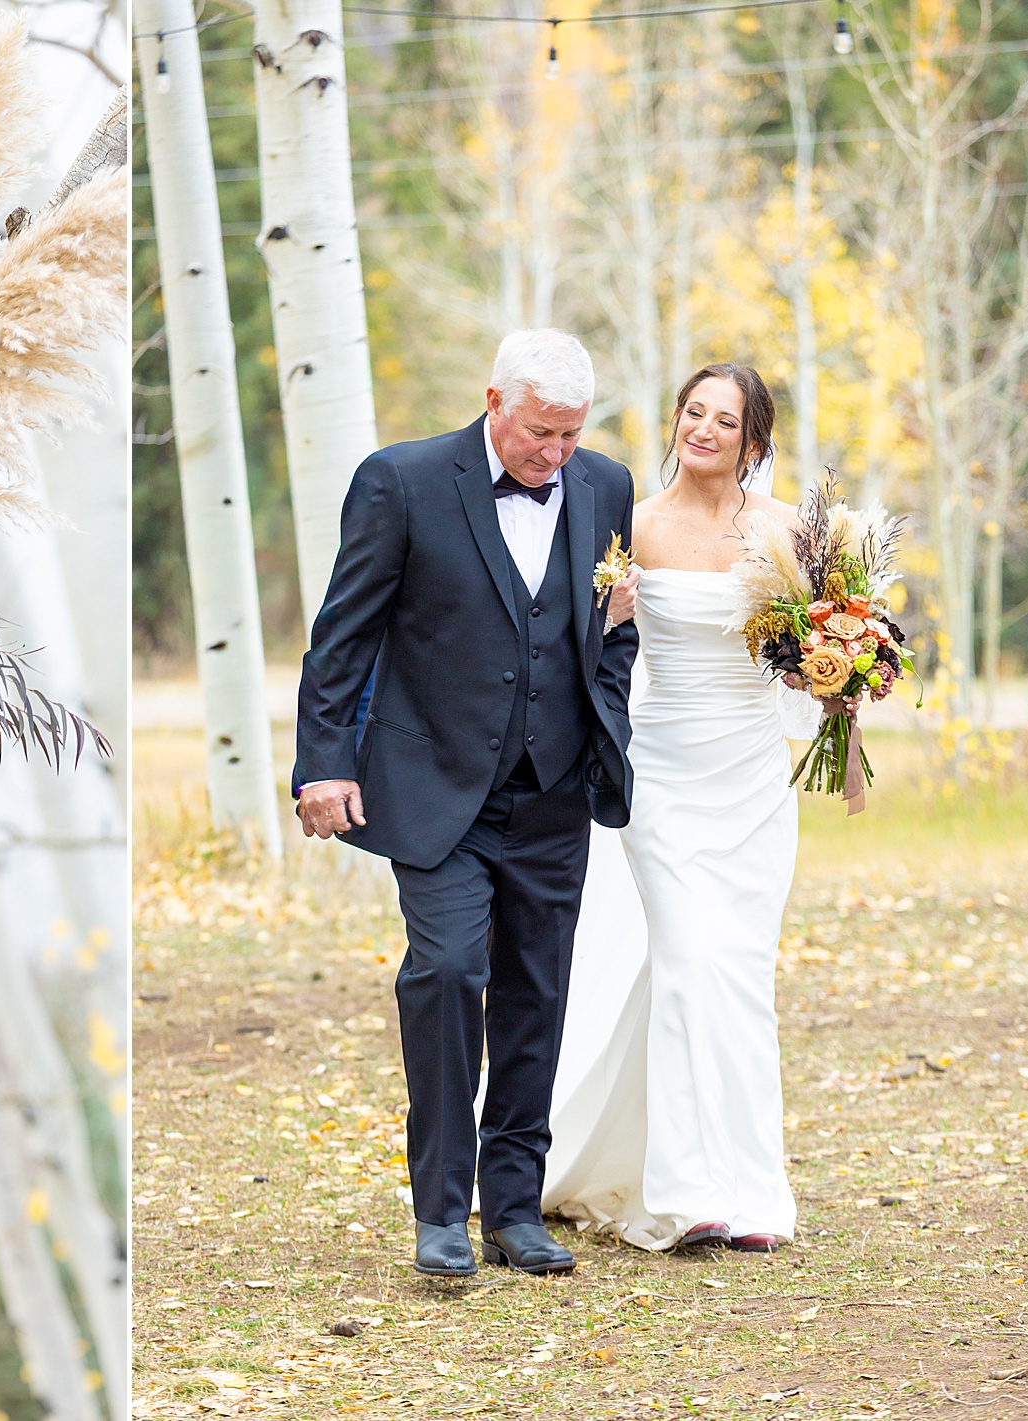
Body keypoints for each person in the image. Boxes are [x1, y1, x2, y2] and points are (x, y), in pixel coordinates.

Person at [294, 329, 640, 1277]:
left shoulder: (608, 487)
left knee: (538, 993)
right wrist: (323, 763)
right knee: (446, 974)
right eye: (540, 433)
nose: (556, 454)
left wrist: (603, 724)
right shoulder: (400, 482)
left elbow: (614, 631)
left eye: (571, 435)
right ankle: (441, 1211)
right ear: (494, 400)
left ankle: (516, 1207)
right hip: (437, 788)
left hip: (556, 793)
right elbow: (343, 636)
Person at [541, 363, 802, 1253]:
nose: (703, 429)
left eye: (724, 420)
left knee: (740, 972)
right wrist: (603, 616)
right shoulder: (635, 526)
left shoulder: (789, 531)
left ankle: (757, 1191)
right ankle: (690, 1193)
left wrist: (842, 665)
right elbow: (590, 646)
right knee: (689, 959)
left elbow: (803, 662)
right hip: (663, 773)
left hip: (752, 777)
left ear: (753, 441)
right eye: (694, 412)